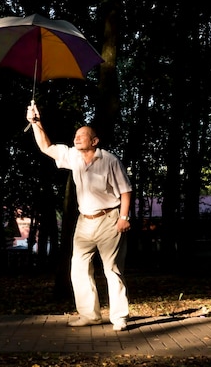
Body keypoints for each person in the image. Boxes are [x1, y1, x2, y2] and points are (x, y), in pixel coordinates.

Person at [26, 102, 133, 331]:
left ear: (94, 141)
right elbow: (47, 147)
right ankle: (89, 315)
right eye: (76, 135)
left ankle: (119, 317)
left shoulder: (109, 160)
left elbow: (126, 190)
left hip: (109, 219)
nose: (77, 138)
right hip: (84, 222)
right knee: (78, 268)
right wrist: (36, 122)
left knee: (112, 269)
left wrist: (124, 218)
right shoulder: (72, 156)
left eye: (82, 135)